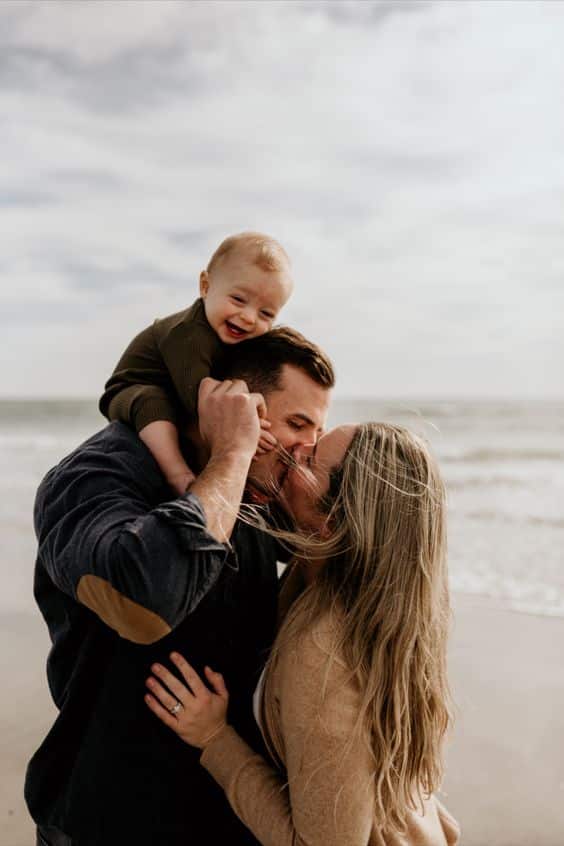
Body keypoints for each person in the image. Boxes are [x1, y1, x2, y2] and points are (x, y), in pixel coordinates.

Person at [25, 327, 334, 846]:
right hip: (110, 812)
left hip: (225, 805)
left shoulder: (257, 484)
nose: (302, 449)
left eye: (315, 436)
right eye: (296, 423)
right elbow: (146, 596)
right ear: (235, 404)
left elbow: (339, 550)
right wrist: (232, 453)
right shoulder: (97, 474)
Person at [144, 423, 461, 846]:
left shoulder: (324, 652)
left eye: (310, 459)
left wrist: (215, 739)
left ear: (332, 521)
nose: (297, 447)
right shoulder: (378, 604)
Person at [99, 231, 294, 494]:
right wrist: (245, 429)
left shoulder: (236, 336)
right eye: (238, 300)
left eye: (266, 313)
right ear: (205, 286)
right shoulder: (188, 334)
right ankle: (178, 475)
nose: (248, 317)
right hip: (130, 390)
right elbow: (203, 400)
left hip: (178, 393)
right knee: (152, 401)